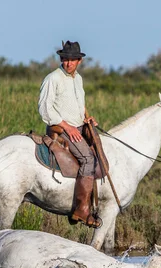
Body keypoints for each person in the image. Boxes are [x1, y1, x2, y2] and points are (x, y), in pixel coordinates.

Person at [37, 40, 102, 228]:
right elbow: (45, 109)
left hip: (78, 126)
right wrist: (67, 127)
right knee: (88, 159)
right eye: (65, 59)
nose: (68, 63)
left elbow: (79, 105)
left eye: (72, 60)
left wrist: (86, 119)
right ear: (61, 59)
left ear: (79, 61)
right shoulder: (52, 79)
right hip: (62, 130)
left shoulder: (78, 79)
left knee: (100, 148)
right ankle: (81, 210)